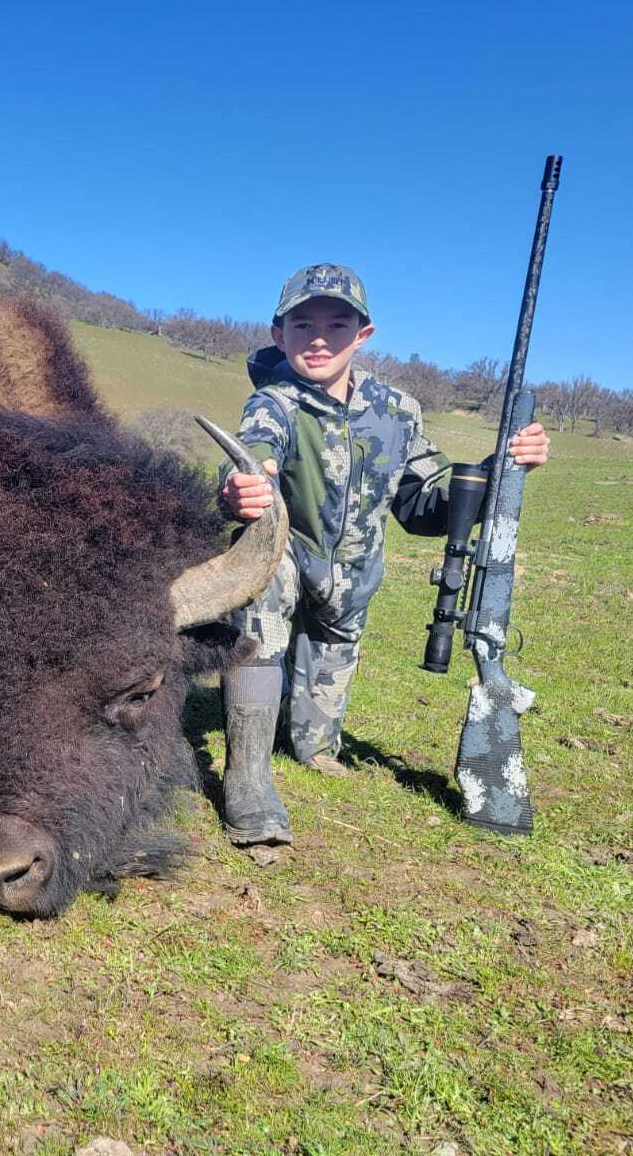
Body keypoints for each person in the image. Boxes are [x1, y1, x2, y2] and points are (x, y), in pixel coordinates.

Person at [216, 264, 550, 846]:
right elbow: (253, 455)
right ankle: (246, 777)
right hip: (285, 558)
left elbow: (424, 501)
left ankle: (312, 745)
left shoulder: (399, 410)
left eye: (336, 324)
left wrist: (504, 469)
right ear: (278, 334)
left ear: (363, 334)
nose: (318, 338)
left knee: (320, 717)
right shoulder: (273, 402)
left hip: (354, 576)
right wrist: (241, 486)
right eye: (303, 325)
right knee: (257, 631)